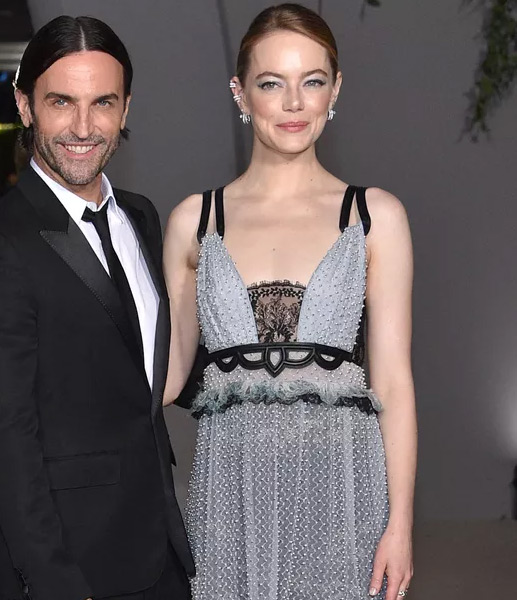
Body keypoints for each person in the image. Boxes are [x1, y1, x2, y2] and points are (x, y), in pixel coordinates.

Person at [163, 4, 417, 600]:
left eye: (313, 81)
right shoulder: (194, 222)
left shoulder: (376, 216)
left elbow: (395, 384)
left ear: (336, 90)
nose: (294, 103)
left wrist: (400, 523)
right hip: (231, 490)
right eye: (271, 83)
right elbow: (167, 378)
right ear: (240, 92)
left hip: (344, 485)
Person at [0, 16, 194, 600]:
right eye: (61, 102)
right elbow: (5, 441)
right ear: (25, 105)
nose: (83, 127)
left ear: (126, 108)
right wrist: (56, 581)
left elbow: (141, 371)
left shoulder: (141, 216)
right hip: (67, 566)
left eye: (102, 102)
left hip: (158, 544)